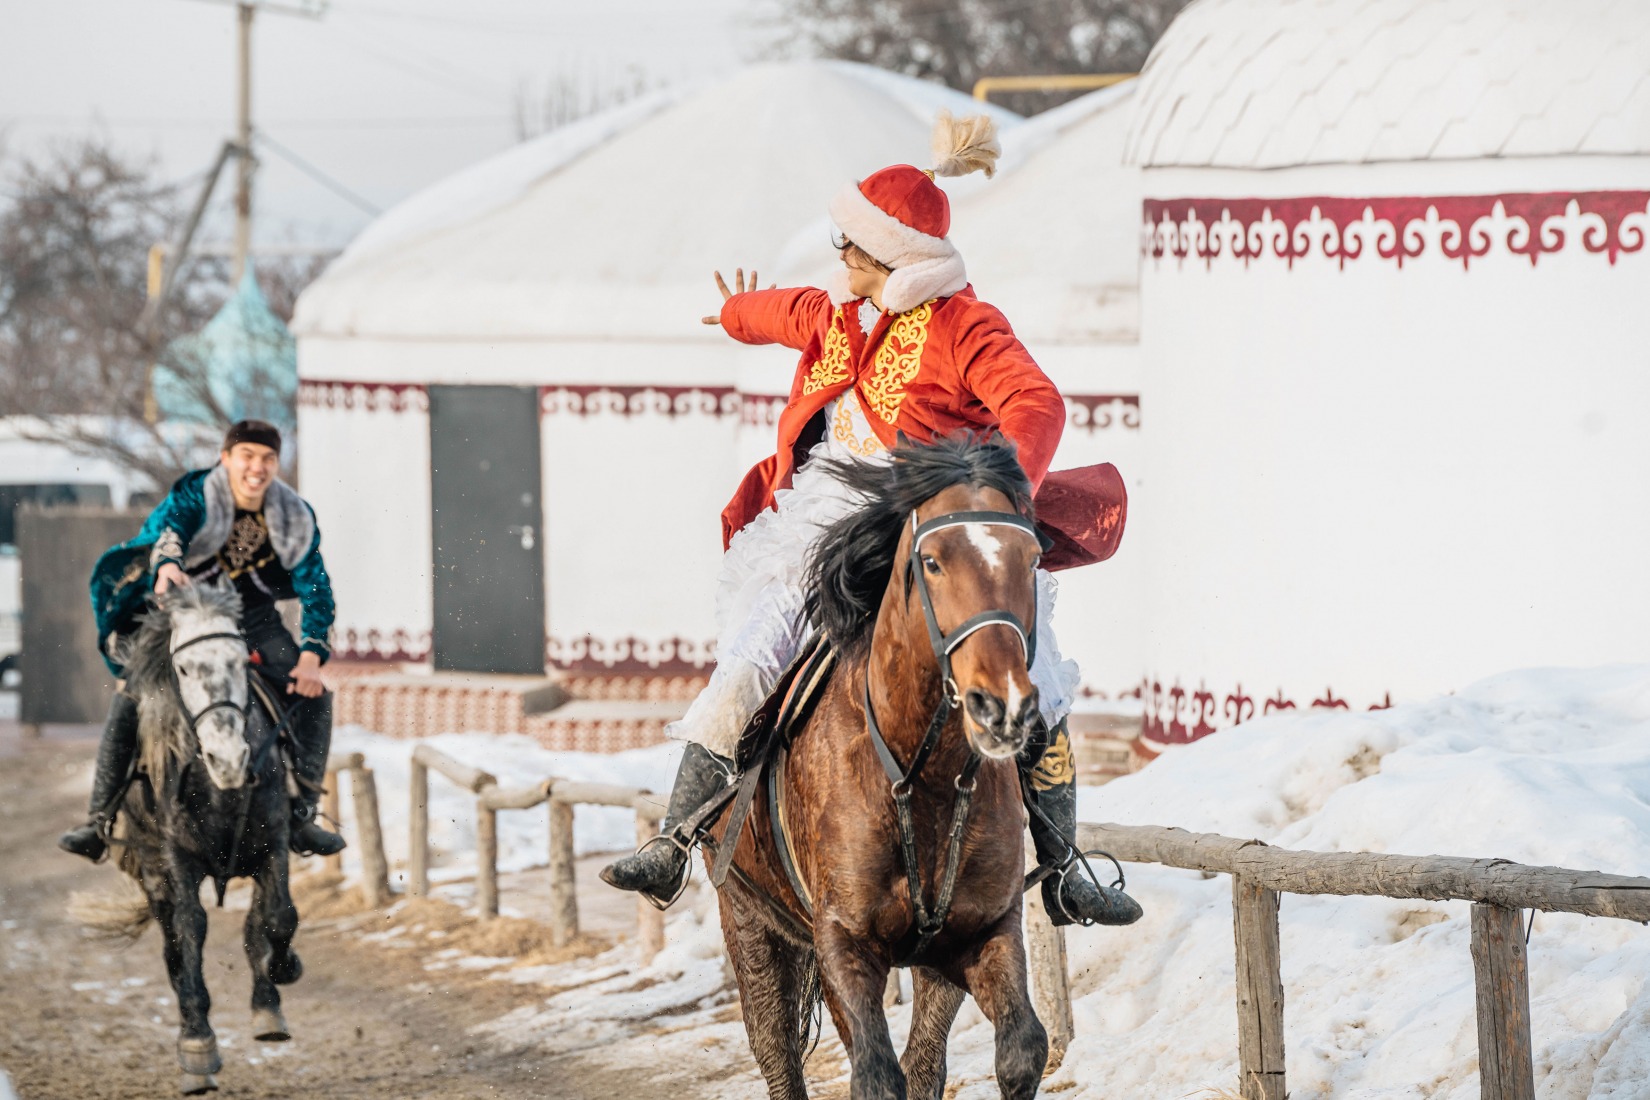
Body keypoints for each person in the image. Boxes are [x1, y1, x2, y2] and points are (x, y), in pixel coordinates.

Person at [602, 113, 1140, 927]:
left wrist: (1001, 494)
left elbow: (1035, 403)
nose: (839, 255)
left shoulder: (966, 325)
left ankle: (1065, 868)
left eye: (851, 245)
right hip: (827, 513)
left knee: (1038, 675)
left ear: (894, 256)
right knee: (758, 644)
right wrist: (736, 312)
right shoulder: (837, 314)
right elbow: (779, 313)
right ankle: (676, 843)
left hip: (931, 516)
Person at [59, 419, 345, 862]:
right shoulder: (197, 492)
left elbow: (316, 587)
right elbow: (173, 528)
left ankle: (303, 815)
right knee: (133, 694)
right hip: (186, 612)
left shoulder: (294, 515)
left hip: (252, 617)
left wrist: (311, 656)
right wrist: (169, 563)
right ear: (225, 458)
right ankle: (100, 819)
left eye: (267, 458)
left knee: (314, 695)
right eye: (246, 456)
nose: (257, 467)